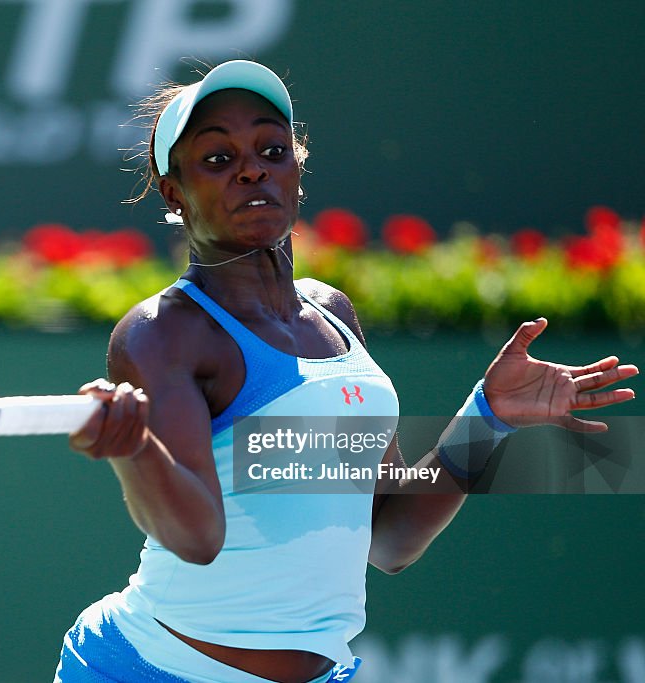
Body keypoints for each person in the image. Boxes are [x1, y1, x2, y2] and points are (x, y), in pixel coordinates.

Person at [52, 60, 638, 683]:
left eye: (271, 149)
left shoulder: (332, 313)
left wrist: (487, 418)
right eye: (218, 159)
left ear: (297, 170)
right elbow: (195, 540)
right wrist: (134, 449)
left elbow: (389, 540)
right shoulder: (161, 334)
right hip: (150, 670)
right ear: (174, 192)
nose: (252, 168)